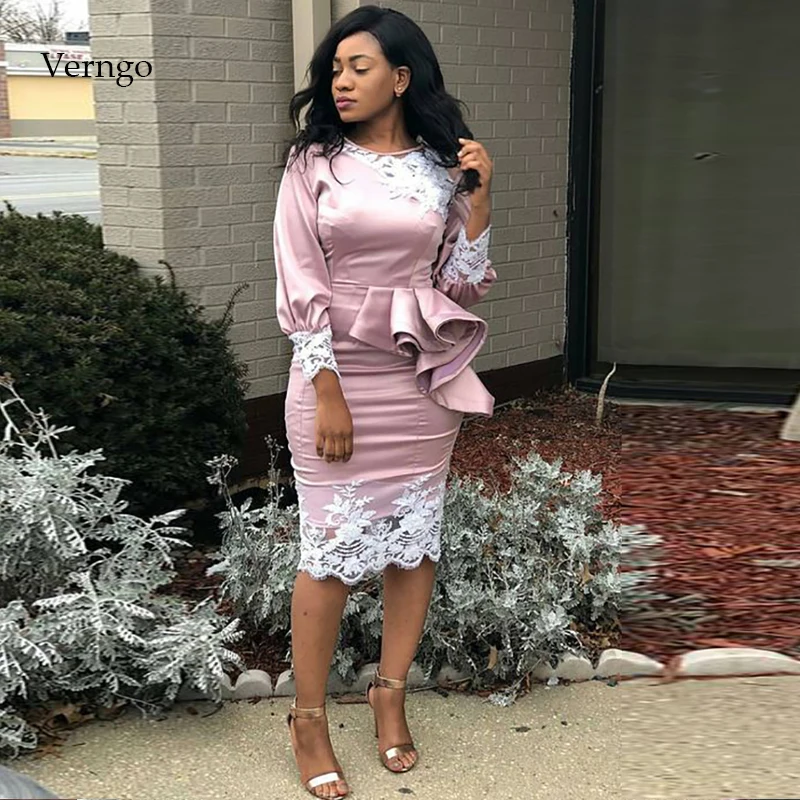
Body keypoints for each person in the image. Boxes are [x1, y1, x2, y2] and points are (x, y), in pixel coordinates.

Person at [274, 5, 496, 798]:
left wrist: (479, 201)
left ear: (401, 78)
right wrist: (326, 387)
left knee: (414, 546)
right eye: (334, 69)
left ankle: (389, 694)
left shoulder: (441, 167)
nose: (340, 81)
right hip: (335, 374)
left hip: (417, 380)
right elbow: (298, 275)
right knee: (328, 554)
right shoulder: (314, 163)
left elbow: (457, 286)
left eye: (358, 67)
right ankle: (307, 720)